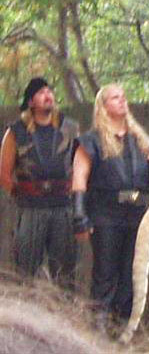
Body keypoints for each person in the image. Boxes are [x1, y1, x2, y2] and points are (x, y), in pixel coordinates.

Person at [71, 83, 149, 334]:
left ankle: (120, 334)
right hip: (106, 213)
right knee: (105, 275)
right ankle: (99, 336)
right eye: (115, 98)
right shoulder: (91, 141)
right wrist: (80, 215)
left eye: (124, 97)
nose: (122, 101)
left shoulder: (141, 140)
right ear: (103, 106)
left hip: (136, 213)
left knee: (130, 277)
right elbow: (79, 178)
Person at [0, 77, 79, 289]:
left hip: (62, 207)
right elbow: (4, 174)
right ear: (31, 101)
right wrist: (22, 196)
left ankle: (64, 319)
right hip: (31, 208)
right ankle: (24, 318)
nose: (48, 95)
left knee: (65, 275)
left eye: (50, 91)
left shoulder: (69, 128)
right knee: (26, 272)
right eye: (41, 92)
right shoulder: (15, 132)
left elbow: (80, 167)